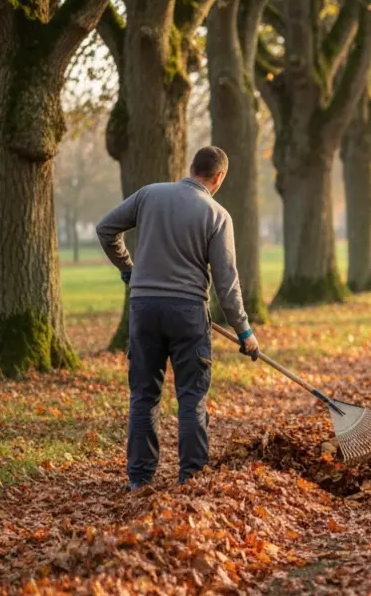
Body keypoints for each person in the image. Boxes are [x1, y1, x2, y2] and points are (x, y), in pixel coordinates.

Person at [97, 147, 261, 490]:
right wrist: (244, 331)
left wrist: (128, 269)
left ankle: (139, 480)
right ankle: (191, 479)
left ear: (192, 168)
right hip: (188, 312)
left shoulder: (149, 195)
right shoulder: (217, 215)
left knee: (143, 395)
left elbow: (105, 229)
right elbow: (227, 284)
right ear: (219, 177)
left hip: (143, 308)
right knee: (191, 396)